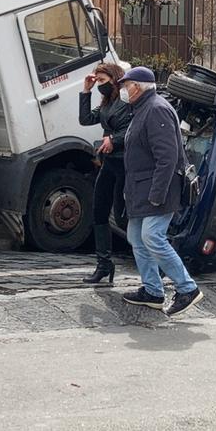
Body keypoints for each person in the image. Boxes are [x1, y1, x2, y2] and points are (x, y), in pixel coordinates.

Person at [116, 67, 203, 318]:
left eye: (127, 84)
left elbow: (167, 158)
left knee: (152, 236)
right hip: (142, 191)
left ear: (139, 86)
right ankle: (153, 290)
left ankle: (188, 288)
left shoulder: (156, 109)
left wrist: (157, 194)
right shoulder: (143, 109)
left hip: (158, 191)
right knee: (136, 237)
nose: (124, 89)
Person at [78, 61, 134, 285]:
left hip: (125, 164)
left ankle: (152, 255)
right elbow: (84, 120)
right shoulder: (106, 102)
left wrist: (113, 139)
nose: (99, 84)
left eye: (102, 81)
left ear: (114, 79)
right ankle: (104, 264)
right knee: (98, 212)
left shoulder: (125, 100)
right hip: (109, 163)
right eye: (97, 80)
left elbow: (132, 128)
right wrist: (86, 91)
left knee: (122, 218)